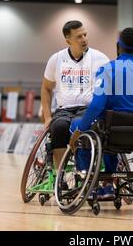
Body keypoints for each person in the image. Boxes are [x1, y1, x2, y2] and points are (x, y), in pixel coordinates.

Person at [69, 27, 133, 200]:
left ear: (118, 46)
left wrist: (79, 130)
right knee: (107, 130)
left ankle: (86, 182)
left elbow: (97, 106)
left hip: (111, 132)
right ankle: (108, 185)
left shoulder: (106, 70)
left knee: (80, 126)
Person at [41, 20, 109, 168]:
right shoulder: (56, 59)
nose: (84, 39)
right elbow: (46, 88)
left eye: (85, 34)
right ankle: (60, 176)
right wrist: (47, 117)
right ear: (68, 40)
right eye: (79, 36)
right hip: (64, 110)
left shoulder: (100, 58)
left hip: (87, 109)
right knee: (58, 128)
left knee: (82, 127)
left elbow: (108, 90)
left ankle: (84, 172)